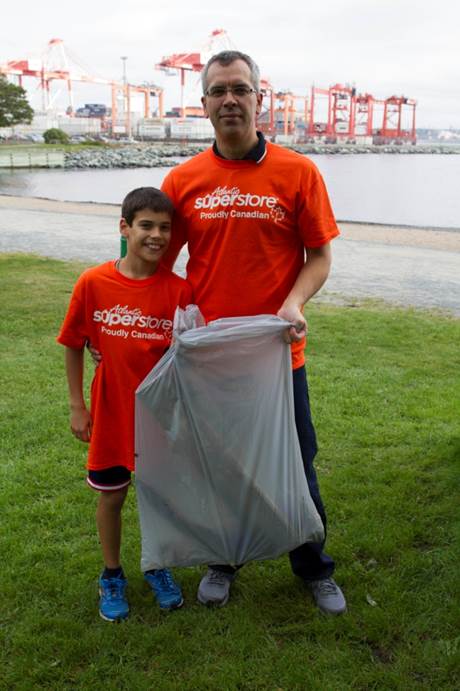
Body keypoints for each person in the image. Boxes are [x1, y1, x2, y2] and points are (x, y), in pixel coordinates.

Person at [160, 51, 347, 615]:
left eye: (240, 89)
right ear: (204, 105)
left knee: (296, 460)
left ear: (259, 99)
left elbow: (320, 256)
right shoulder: (183, 179)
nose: (230, 100)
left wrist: (293, 302)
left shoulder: (298, 172)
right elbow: (157, 263)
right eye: (218, 91)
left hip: (277, 354)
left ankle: (313, 566)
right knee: (224, 465)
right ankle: (225, 559)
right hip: (212, 356)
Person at [57, 187, 192, 622]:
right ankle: (112, 574)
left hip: (159, 418)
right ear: (124, 228)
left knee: (159, 499)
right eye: (146, 226)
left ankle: (158, 565)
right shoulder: (94, 282)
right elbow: (74, 344)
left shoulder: (179, 290)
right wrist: (78, 405)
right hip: (112, 414)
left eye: (165, 228)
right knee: (112, 497)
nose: (156, 236)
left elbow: (189, 356)